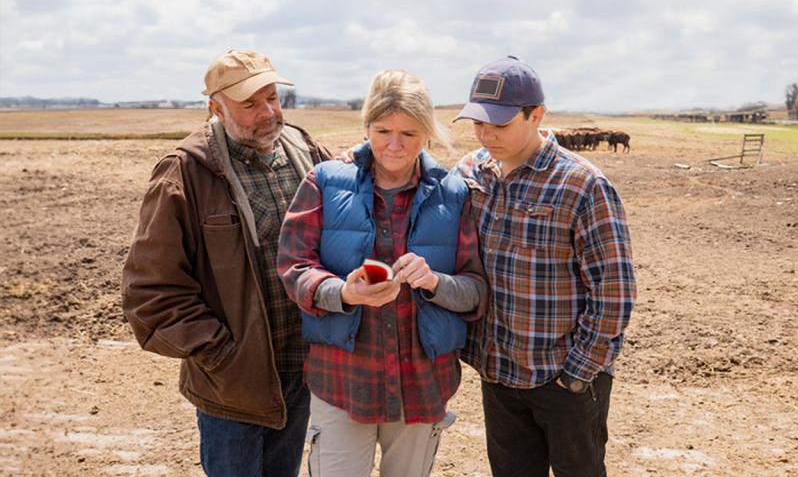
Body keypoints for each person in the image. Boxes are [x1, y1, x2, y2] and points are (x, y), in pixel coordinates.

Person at [121, 50, 331, 477]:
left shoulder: (309, 153)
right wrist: (220, 353)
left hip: (303, 368)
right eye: (251, 103)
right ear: (215, 107)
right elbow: (150, 291)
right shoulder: (185, 173)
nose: (269, 112)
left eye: (273, 98)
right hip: (233, 381)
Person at [277, 69, 488, 477]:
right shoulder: (324, 181)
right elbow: (293, 266)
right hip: (343, 381)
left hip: (422, 385)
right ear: (366, 127)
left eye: (408, 133)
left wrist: (434, 282)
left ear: (426, 133)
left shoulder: (454, 193)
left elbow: (476, 289)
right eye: (383, 130)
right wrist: (341, 292)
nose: (394, 145)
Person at [451, 56, 637, 477]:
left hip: (563, 377)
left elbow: (614, 292)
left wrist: (577, 374)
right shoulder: (470, 173)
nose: (486, 135)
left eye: (499, 125)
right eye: (479, 124)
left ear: (536, 116)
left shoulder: (582, 184)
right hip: (498, 373)